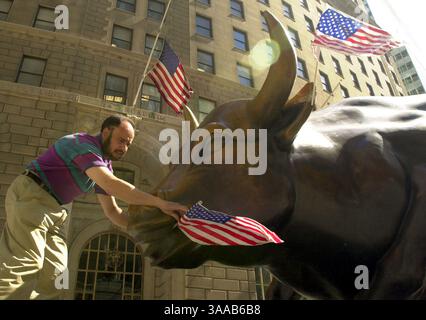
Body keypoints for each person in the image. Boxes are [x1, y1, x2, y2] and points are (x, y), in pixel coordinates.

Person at [0, 115, 188, 300]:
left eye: (128, 144)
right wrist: (160, 203)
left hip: (57, 211)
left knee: (56, 275)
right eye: (121, 140)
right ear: (106, 131)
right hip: (33, 195)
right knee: (26, 264)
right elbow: (110, 183)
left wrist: (153, 224)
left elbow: (113, 213)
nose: (124, 148)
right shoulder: (82, 143)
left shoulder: (104, 164)